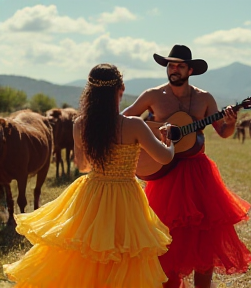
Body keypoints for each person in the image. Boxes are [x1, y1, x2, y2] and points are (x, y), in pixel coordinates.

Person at [3, 63, 175, 288]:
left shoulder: (80, 124)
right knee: (123, 254)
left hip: (92, 193)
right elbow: (165, 158)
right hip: (126, 196)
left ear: (90, 93)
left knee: (82, 252)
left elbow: (83, 166)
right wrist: (169, 141)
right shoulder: (134, 125)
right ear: (120, 89)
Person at [122, 45, 251, 288]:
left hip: (198, 173)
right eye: (170, 65)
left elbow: (223, 132)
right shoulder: (153, 95)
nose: (174, 69)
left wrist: (231, 122)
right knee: (164, 237)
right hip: (164, 174)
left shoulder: (204, 98)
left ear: (190, 69)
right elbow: (125, 118)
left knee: (204, 237)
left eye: (180, 65)